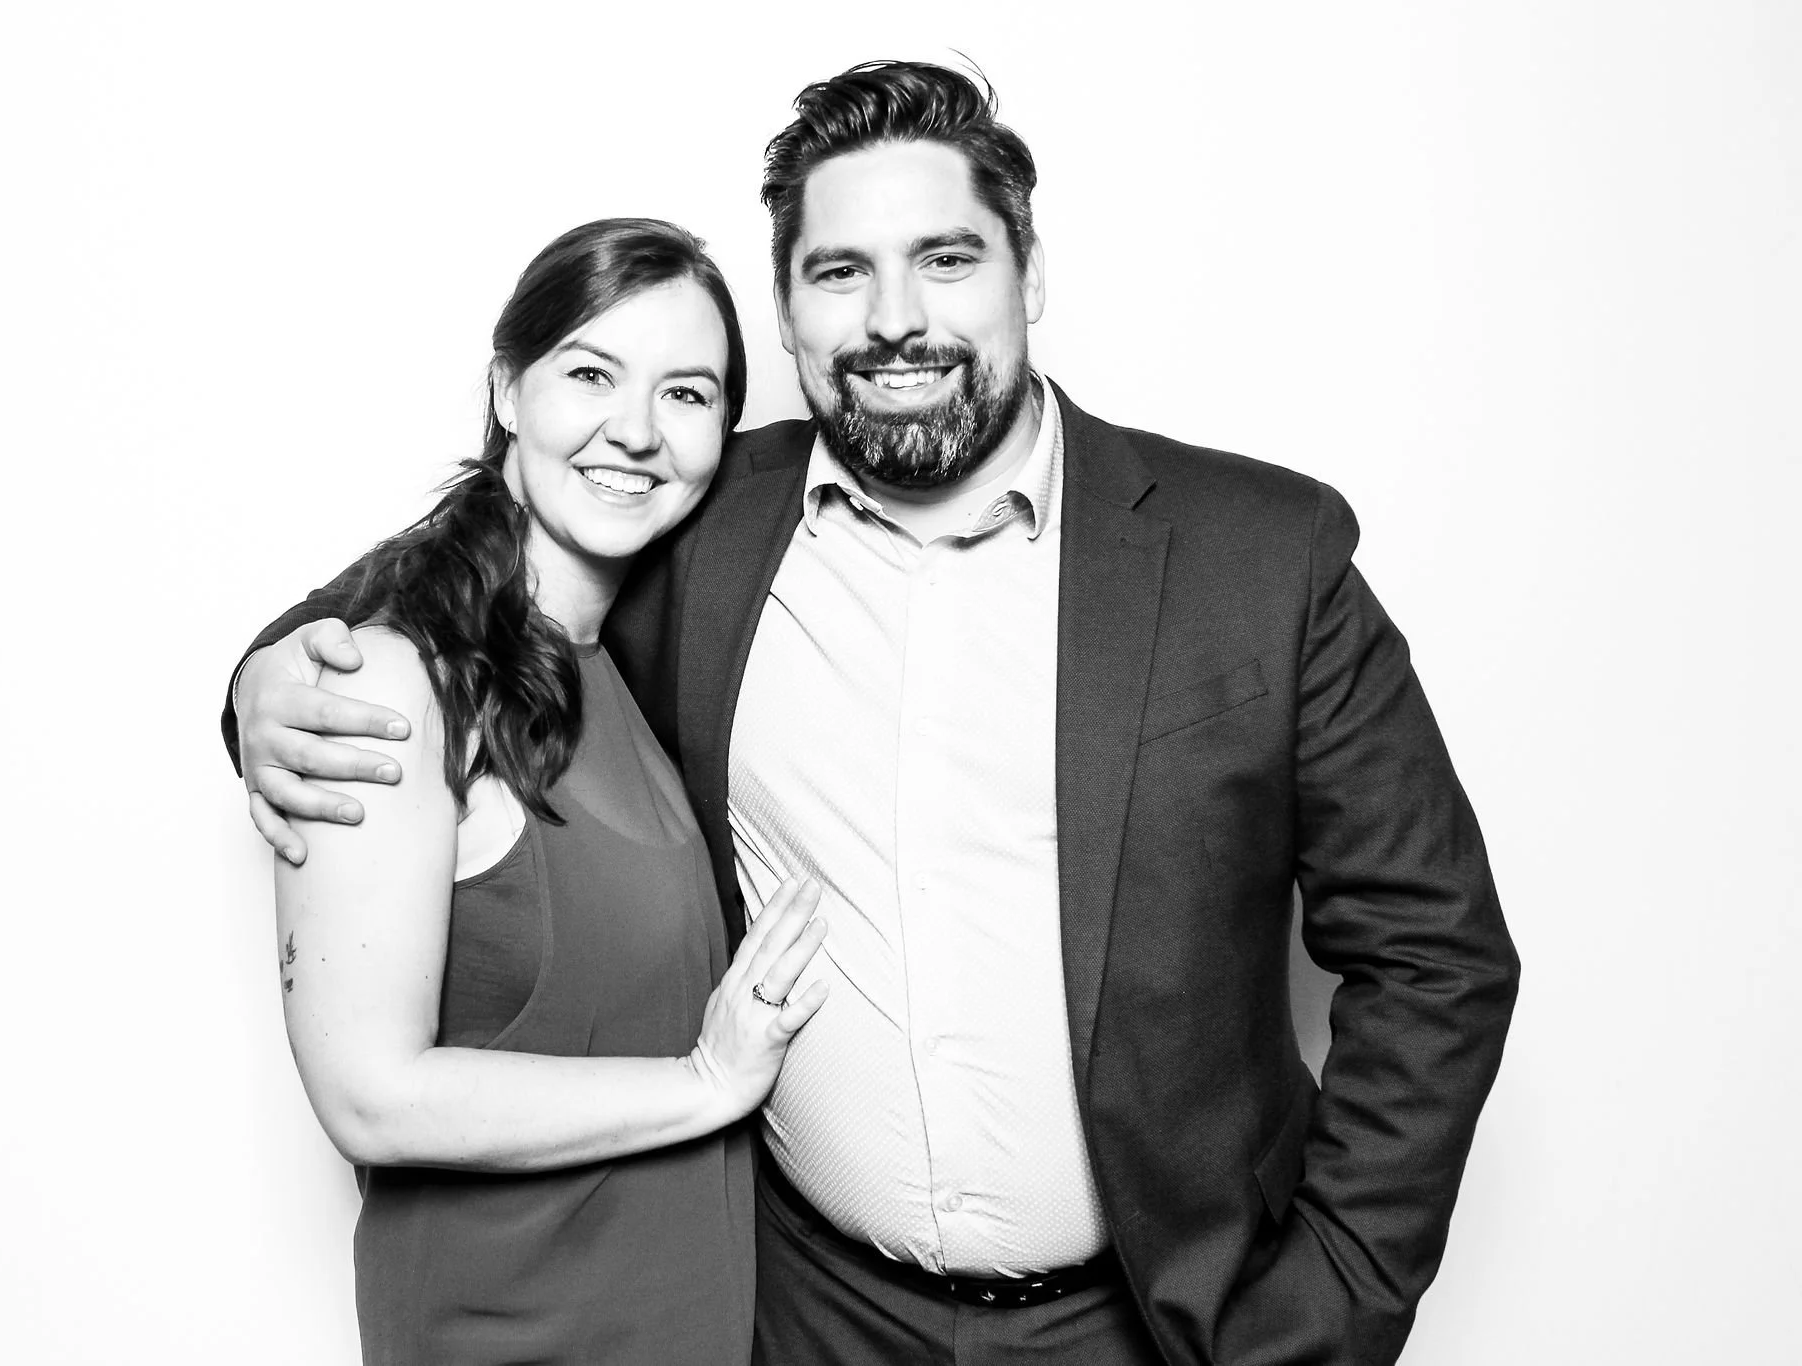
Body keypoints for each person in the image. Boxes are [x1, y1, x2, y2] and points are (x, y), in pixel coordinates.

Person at [228, 64, 1519, 1366]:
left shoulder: (1257, 557)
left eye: (946, 258)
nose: (895, 319)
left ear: (1030, 273)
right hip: (806, 1313)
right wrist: (266, 685)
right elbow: (466, 593)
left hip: (1151, 1325)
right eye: (840, 271)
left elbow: (1435, 952)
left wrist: (1328, 1312)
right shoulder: (699, 519)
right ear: (787, 315)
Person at [261, 217, 831, 1366]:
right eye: (589, 373)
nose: (634, 430)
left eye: (684, 395)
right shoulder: (385, 681)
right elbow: (368, 1091)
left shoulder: (621, 672)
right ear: (508, 390)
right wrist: (703, 1082)